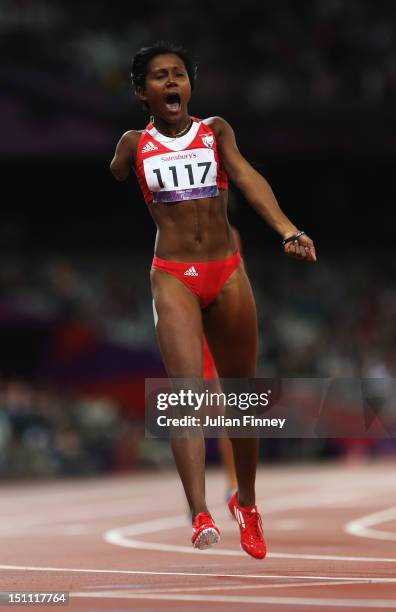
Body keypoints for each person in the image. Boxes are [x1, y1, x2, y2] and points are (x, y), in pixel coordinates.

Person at [110, 42, 316, 560]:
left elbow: (246, 178)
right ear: (144, 91)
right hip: (174, 276)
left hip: (225, 273)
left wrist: (287, 230)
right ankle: (199, 513)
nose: (172, 82)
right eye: (160, 76)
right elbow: (116, 168)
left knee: (243, 398)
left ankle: (246, 504)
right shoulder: (134, 144)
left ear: (189, 86)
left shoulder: (215, 131)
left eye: (179, 74)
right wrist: (120, 164)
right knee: (185, 395)